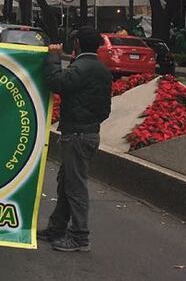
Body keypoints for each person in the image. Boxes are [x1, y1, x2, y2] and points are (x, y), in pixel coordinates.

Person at [39, 26, 112, 252]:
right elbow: (105, 110)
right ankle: (57, 228)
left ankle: (79, 236)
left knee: (75, 186)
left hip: (78, 135)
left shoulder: (83, 67)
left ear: (78, 44)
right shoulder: (100, 68)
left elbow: (57, 82)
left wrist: (53, 58)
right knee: (66, 183)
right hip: (87, 132)